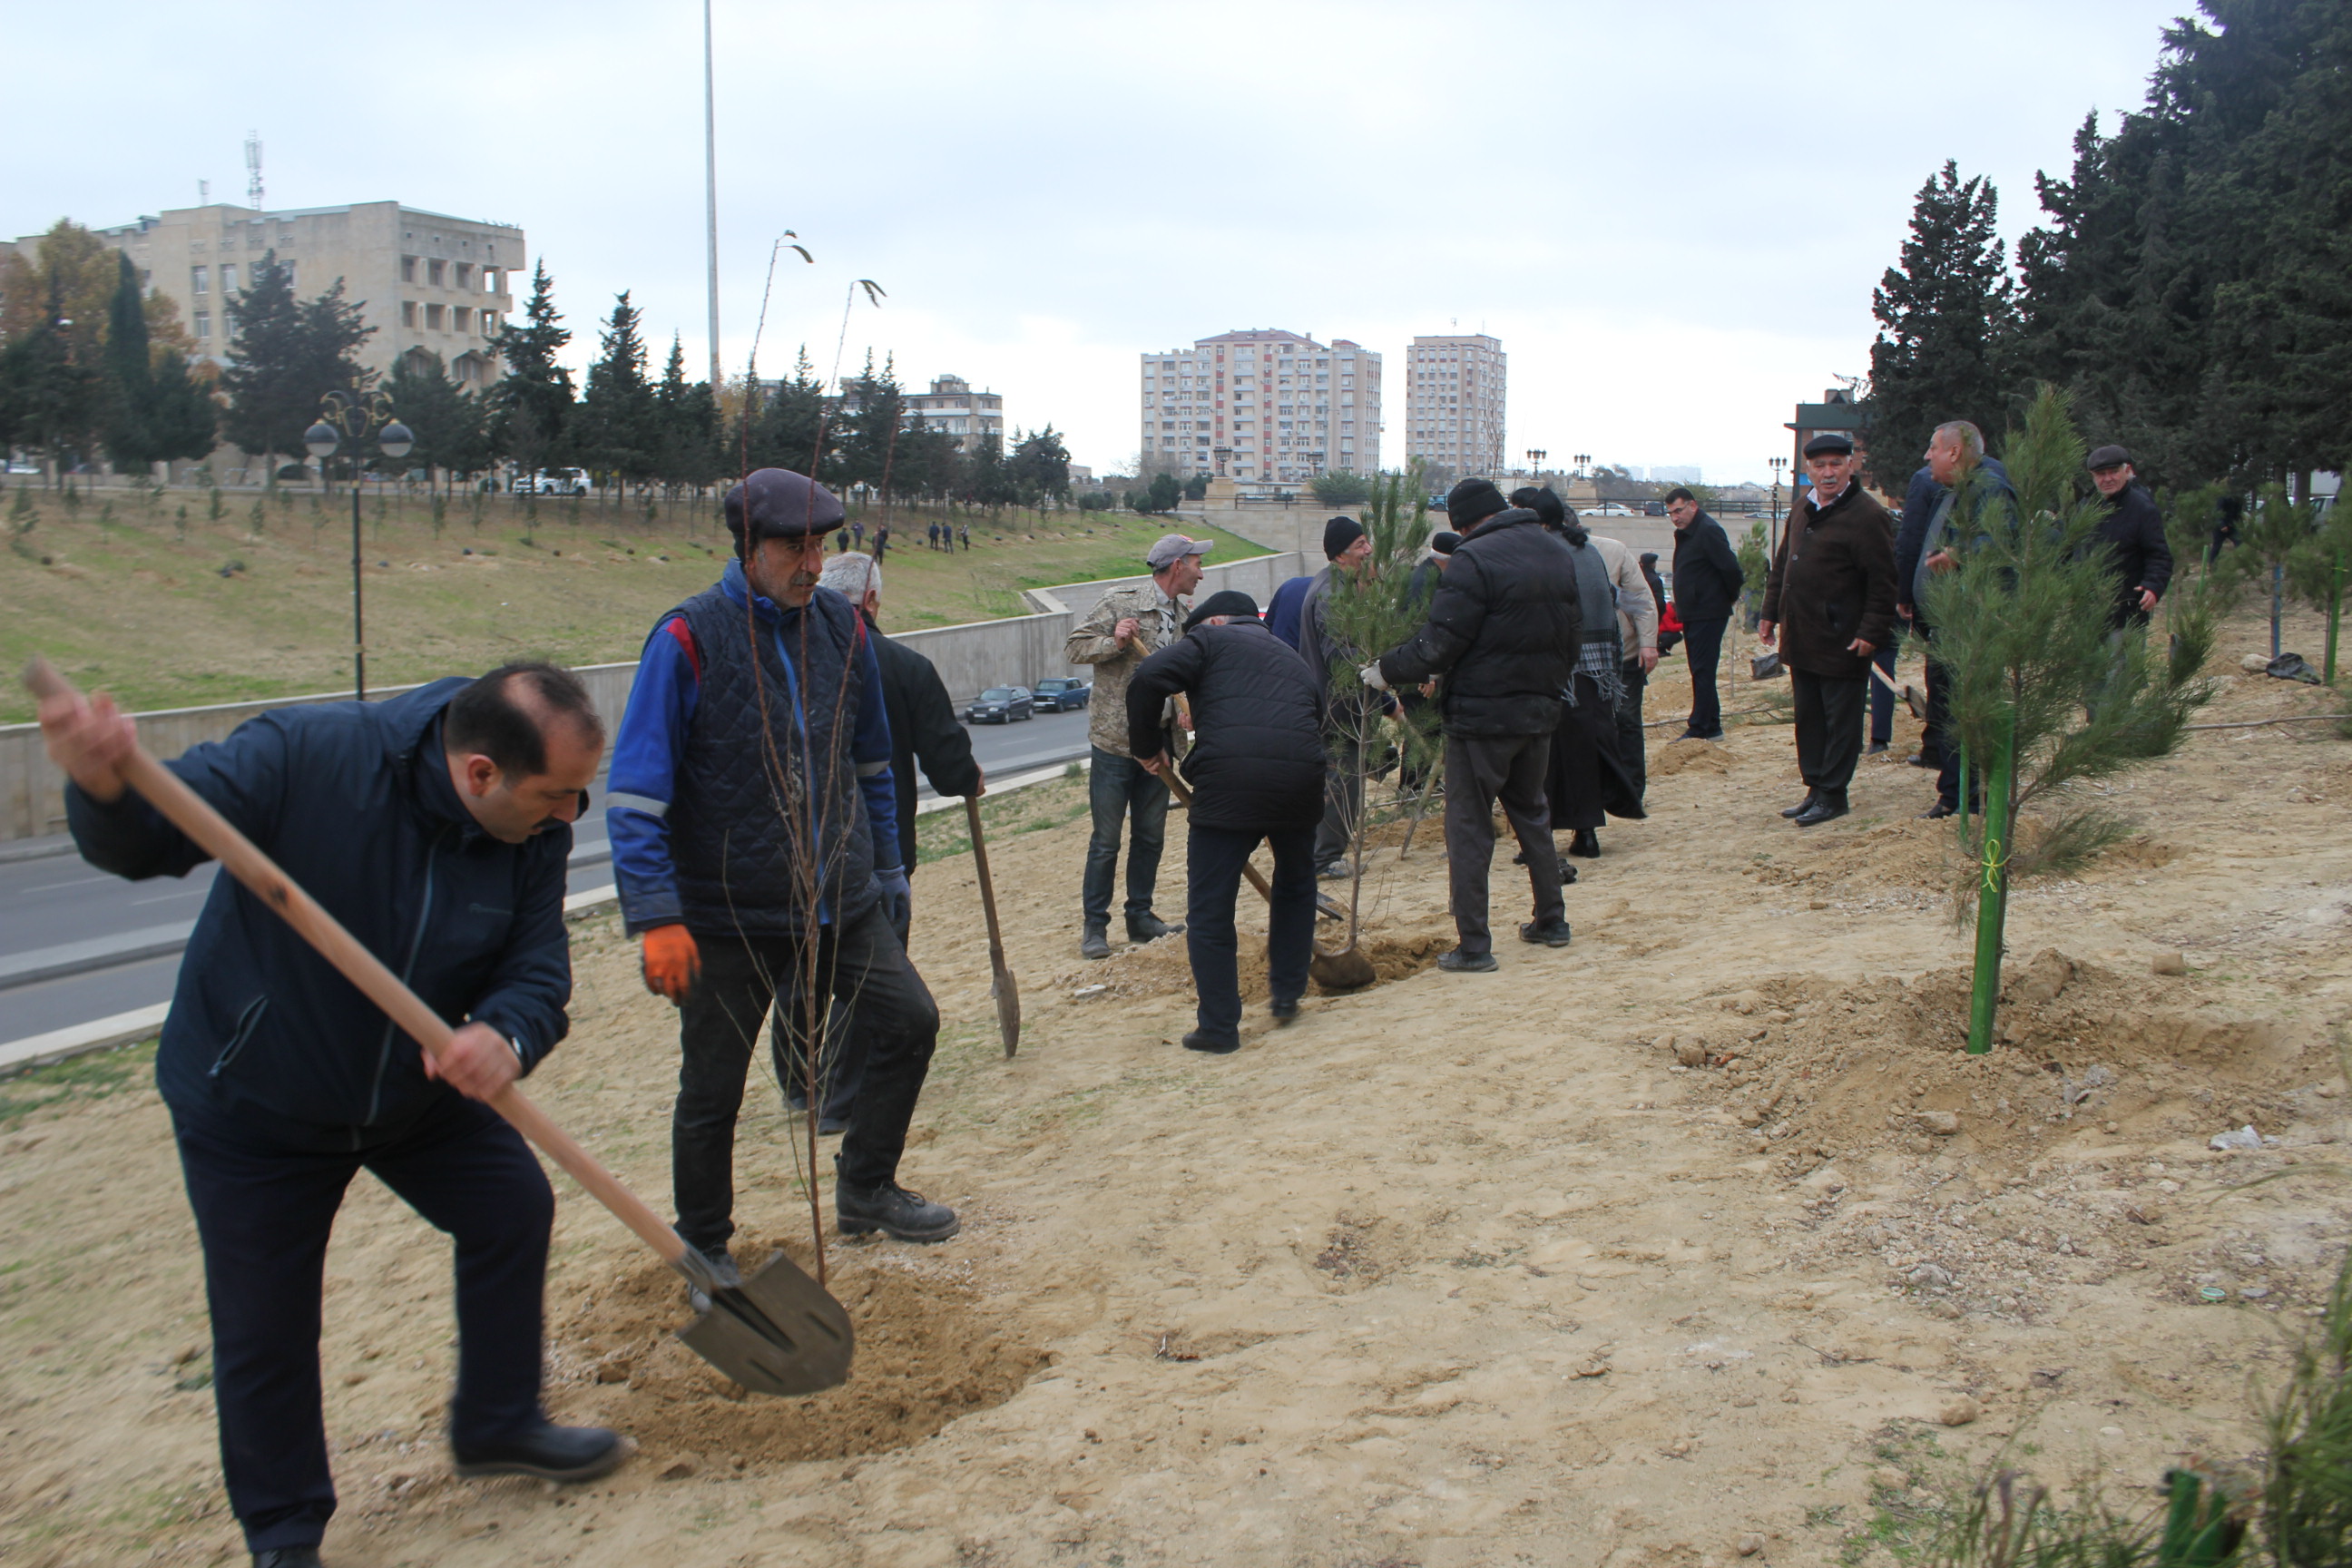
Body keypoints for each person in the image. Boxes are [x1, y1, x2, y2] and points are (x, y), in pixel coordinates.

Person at [40, 661, 622, 1563]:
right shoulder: (311, 757)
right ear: (479, 774)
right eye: (557, 797)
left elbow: (538, 967)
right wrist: (101, 784)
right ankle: (284, 1529)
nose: (570, 819)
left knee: (511, 1207)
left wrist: (506, 1034)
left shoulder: (533, 830)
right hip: (256, 1099)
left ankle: (498, 1422)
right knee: (265, 1320)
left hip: (411, 1088)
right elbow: (149, 835)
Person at [608, 467, 958, 1282]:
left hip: (840, 895)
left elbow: (872, 760)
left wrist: (887, 863)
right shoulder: (687, 639)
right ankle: (705, 1245)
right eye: (792, 547)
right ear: (747, 545)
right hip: (728, 911)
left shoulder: (841, 628)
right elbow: (632, 797)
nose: (811, 562)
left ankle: (866, 1187)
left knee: (909, 1021)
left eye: (819, 545)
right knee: (713, 1090)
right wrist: (657, 916)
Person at [778, 552, 985, 1132]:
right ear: (871, 601)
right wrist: (968, 777)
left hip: (786, 846)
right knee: (871, 973)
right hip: (876, 848)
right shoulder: (901, 664)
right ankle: (843, 1095)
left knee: (799, 965)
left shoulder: (783, 655)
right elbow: (948, 764)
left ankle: (800, 1085)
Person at [1367, 477, 1580, 971]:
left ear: (1461, 522)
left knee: (1468, 828)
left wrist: (1385, 670)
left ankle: (1474, 947)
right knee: (1532, 813)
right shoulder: (1554, 550)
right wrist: (1546, 687)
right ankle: (1552, 920)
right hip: (1538, 710)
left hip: (1481, 719)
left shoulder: (1473, 559)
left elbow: (1439, 643)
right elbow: (1572, 634)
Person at [1125, 589, 1327, 1054]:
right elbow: (1312, 716)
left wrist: (1147, 745)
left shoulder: (1210, 642)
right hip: (1302, 778)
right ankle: (1287, 994)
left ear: (1215, 621)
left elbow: (1147, 677)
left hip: (1233, 779)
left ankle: (1219, 1027)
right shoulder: (1291, 657)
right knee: (1296, 886)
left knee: (1211, 906)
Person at [1065, 533, 1210, 957]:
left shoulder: (1185, 616)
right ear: (1177, 565)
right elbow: (1074, 646)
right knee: (1107, 839)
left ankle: (1140, 918)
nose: (1202, 573)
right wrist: (1116, 641)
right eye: (1197, 564)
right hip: (1115, 743)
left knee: (1150, 836)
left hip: (1160, 743)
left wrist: (1187, 706)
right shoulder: (1121, 601)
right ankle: (1095, 927)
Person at [1759, 432, 1897, 827]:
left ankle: (1834, 794)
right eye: (1820, 466)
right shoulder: (1803, 507)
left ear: (1851, 466)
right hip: (1803, 636)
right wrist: (1770, 613)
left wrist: (1871, 632)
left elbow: (1884, 583)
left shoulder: (1868, 516)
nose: (1828, 472)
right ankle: (1815, 787)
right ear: (1808, 471)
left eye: (1836, 464)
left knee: (1841, 721)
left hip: (1844, 639)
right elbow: (1784, 564)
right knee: (1810, 718)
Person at [1515, 487, 1642, 859]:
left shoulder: (1542, 553)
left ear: (1538, 521)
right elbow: (1610, 602)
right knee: (1585, 754)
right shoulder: (1588, 552)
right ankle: (1586, 835)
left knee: (1544, 758)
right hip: (1596, 673)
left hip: (1556, 674)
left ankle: (1539, 843)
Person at [1906, 422, 2017, 818]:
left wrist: (1959, 553)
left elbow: (2000, 539)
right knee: (1947, 708)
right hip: (1950, 624)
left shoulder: (1989, 486)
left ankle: (1969, 797)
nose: (1927, 456)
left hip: (1974, 625)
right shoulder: (1959, 490)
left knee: (1965, 710)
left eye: (1933, 448)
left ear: (1954, 452)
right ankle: (1955, 793)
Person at [1298, 514, 1394, 877]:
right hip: (1338, 705)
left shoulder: (1340, 584)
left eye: (1367, 541)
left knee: (1347, 778)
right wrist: (1382, 669)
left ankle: (1325, 852)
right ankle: (1325, 859)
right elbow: (1341, 656)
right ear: (1339, 555)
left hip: (1342, 702)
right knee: (1343, 783)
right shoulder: (1331, 594)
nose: (1369, 549)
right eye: (1360, 545)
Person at [1664, 485, 1744, 740]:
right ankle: (1712, 725)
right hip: (1694, 611)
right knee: (1700, 669)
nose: (1675, 517)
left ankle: (1699, 728)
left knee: (1702, 669)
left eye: (1679, 510)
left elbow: (1732, 570)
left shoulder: (1707, 530)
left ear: (1693, 506)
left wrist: (1725, 599)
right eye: (1671, 514)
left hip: (1708, 611)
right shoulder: (1688, 532)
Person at [2085, 445, 2173, 628]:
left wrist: (2153, 587)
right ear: (2092, 476)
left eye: (2114, 472)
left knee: (2121, 657)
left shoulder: (2142, 508)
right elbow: (2073, 548)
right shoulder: (2086, 506)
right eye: (2101, 474)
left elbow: (2159, 555)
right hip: (2088, 610)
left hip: (2126, 610)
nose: (2107, 479)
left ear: (2127, 471)